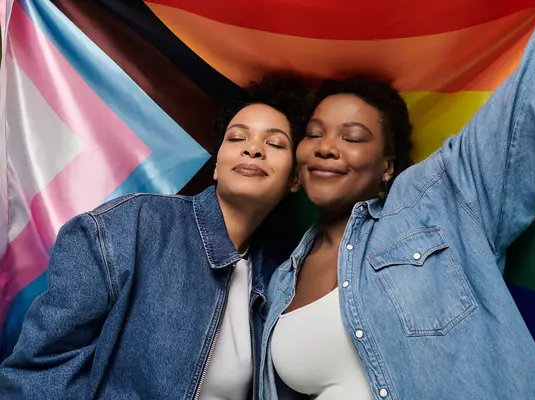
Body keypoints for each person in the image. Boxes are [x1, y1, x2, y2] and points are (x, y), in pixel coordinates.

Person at [259, 0, 535, 399]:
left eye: (351, 137)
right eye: (314, 134)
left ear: (387, 166)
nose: (326, 148)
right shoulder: (280, 280)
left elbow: (532, 95)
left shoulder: (438, 200)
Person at [0, 77, 308, 400]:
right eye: (237, 138)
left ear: (295, 179)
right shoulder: (130, 227)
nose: (253, 148)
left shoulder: (280, 281)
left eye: (274, 144)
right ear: (217, 165)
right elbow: (38, 374)